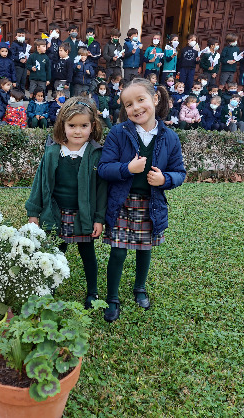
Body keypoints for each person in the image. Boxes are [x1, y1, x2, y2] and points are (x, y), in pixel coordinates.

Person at [97, 78, 186, 322]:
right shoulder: (118, 133)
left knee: (145, 250)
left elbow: (180, 173)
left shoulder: (169, 137)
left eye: (140, 100)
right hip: (122, 203)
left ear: (155, 99)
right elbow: (104, 168)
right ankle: (112, 297)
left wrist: (165, 179)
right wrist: (128, 168)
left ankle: (140, 288)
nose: (135, 108)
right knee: (118, 251)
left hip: (151, 204)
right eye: (128, 104)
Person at [26, 97, 107, 309]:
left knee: (87, 253)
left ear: (93, 126)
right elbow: (39, 183)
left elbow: (101, 191)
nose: (77, 131)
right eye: (72, 126)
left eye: (83, 126)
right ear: (63, 125)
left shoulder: (96, 155)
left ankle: (92, 292)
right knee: (54, 254)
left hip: (84, 215)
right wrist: (33, 213)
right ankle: (48, 289)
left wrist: (99, 219)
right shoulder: (53, 152)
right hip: (57, 213)